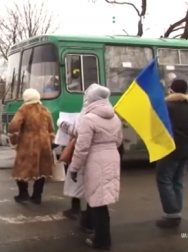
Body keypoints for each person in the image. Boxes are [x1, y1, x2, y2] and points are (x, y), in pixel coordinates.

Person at [70, 84, 122, 250]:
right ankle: (88, 224)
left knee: (99, 202)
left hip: (96, 160)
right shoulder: (115, 117)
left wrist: (74, 168)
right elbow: (119, 141)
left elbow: (82, 147)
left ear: (90, 99)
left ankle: (102, 240)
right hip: (112, 157)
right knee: (100, 197)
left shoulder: (89, 118)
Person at [155, 79, 188, 229]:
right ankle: (176, 213)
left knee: (164, 180)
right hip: (186, 151)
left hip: (168, 149)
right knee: (177, 182)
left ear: (171, 90)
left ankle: (172, 215)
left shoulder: (166, 107)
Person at [8, 88, 55, 205]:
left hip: (28, 143)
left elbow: (14, 125)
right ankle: (37, 196)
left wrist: (14, 140)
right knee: (42, 168)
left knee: (21, 169)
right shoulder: (45, 110)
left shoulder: (24, 110)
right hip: (44, 143)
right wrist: (50, 142)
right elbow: (51, 128)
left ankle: (23, 194)